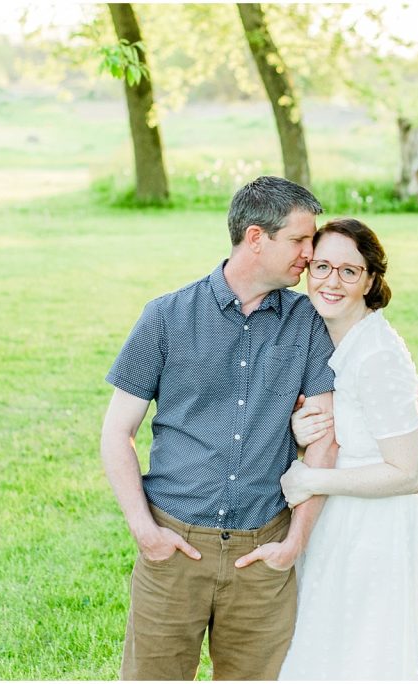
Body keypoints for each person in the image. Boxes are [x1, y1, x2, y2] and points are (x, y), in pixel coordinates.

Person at [100, 175, 339, 681]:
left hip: (263, 554)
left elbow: (324, 440)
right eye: (299, 239)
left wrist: (293, 543)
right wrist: (145, 532)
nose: (309, 252)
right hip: (174, 547)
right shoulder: (166, 316)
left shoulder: (309, 323)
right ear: (256, 238)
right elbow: (116, 433)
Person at [278, 218, 418, 681]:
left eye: (348, 270)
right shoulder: (336, 339)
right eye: (322, 266)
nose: (331, 281)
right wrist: (301, 431)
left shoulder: (377, 356)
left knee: (358, 650)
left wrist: (312, 478)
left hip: (372, 529)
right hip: (339, 521)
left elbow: (408, 473)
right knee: (322, 643)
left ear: (369, 280)